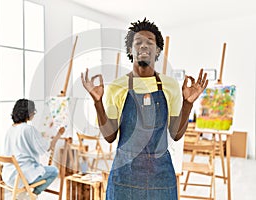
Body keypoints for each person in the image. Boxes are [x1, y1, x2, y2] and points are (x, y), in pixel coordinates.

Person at [81, 18, 208, 199]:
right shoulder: (117, 86)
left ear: (157, 50)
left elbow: (175, 134)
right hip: (124, 176)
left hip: (161, 177)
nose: (143, 46)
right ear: (130, 50)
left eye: (150, 42)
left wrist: (188, 104)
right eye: (137, 42)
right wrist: (97, 102)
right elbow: (110, 136)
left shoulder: (170, 85)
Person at [2, 99, 62, 199]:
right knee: (54, 171)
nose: (34, 114)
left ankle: (25, 194)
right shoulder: (28, 129)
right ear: (28, 113)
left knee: (39, 168)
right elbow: (45, 148)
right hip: (21, 175)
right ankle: (32, 195)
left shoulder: (10, 129)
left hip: (8, 174)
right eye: (33, 111)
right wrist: (58, 135)